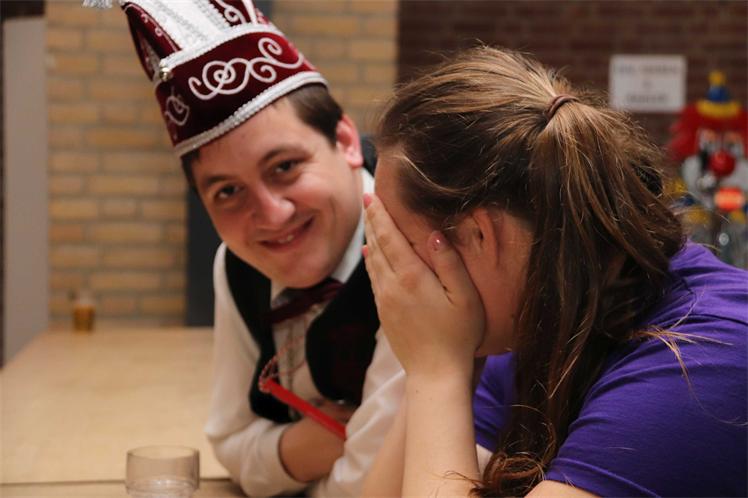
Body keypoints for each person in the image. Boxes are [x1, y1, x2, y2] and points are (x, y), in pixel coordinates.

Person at [360, 46, 748, 497]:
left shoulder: (703, 360)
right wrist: (445, 362)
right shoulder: (541, 321)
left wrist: (436, 371)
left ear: (480, 235)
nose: (394, 277)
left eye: (399, 246)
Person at [113, 1, 404, 496]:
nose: (271, 215)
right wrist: (312, 445)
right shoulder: (239, 265)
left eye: (285, 167)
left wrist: (281, 462)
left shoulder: (411, 245)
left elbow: (374, 487)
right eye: (228, 192)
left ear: (345, 140)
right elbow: (230, 439)